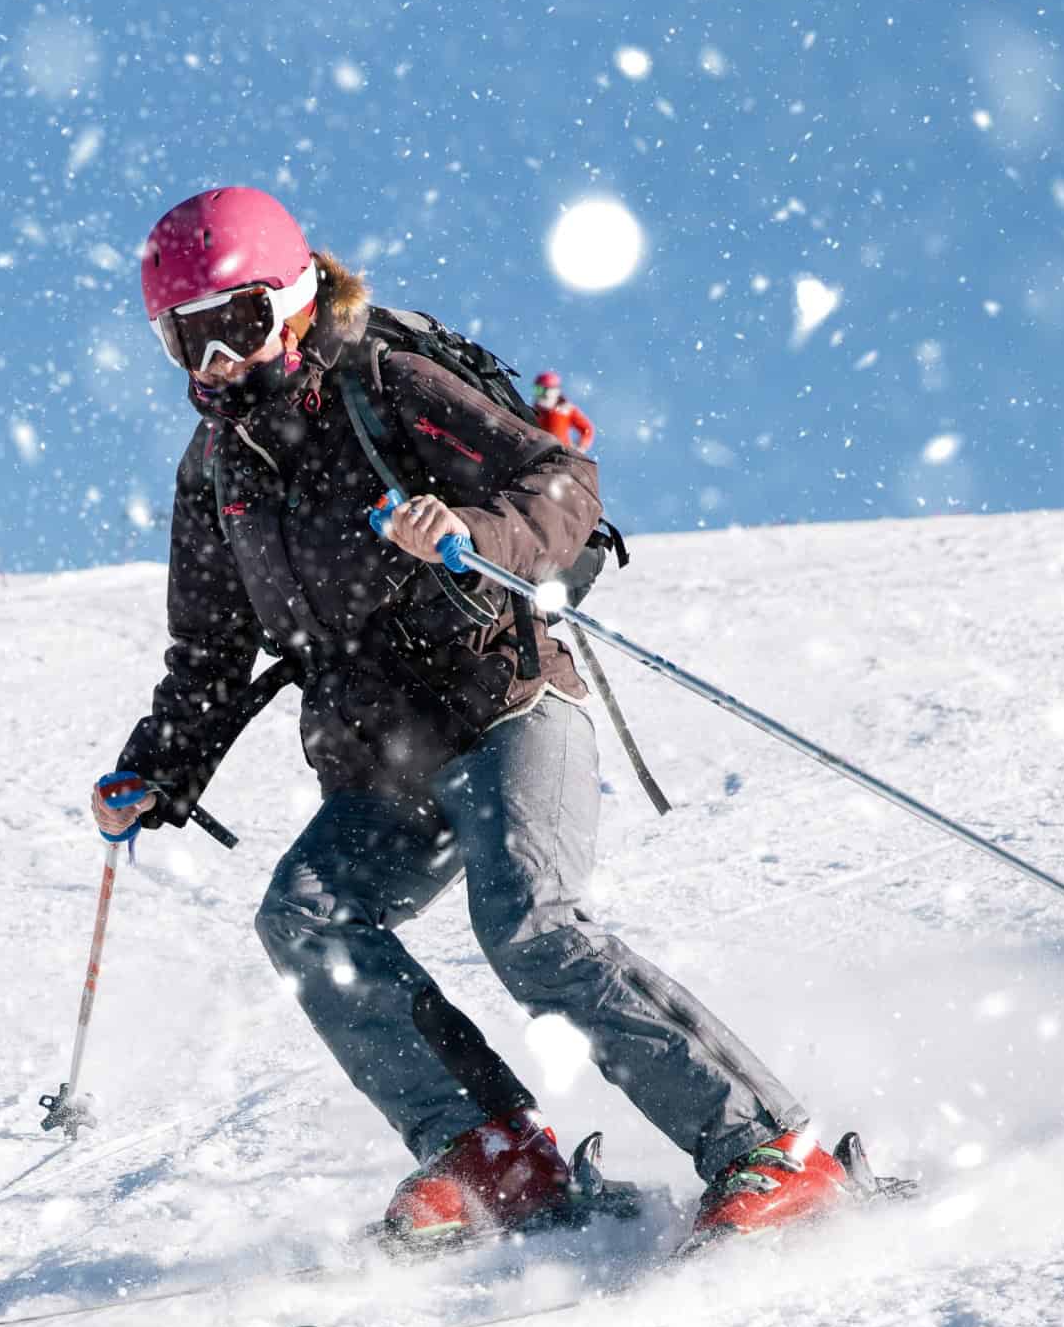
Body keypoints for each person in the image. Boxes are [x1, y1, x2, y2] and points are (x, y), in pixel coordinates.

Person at [92, 187, 844, 1246]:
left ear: (296, 303)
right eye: (191, 342)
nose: (221, 366)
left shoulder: (384, 381)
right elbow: (212, 649)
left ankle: (769, 1148)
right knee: (307, 919)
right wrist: (155, 767)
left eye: (240, 327)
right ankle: (494, 1155)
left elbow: (560, 480)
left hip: (502, 700)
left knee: (530, 926)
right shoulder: (215, 473)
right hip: (375, 755)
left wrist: (476, 528)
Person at [530, 370, 594, 451]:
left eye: (541, 390)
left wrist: (580, 446)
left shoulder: (566, 409)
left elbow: (587, 429)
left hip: (561, 451)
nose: (538, 394)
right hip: (537, 449)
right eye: (537, 389)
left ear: (554, 391)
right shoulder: (535, 408)